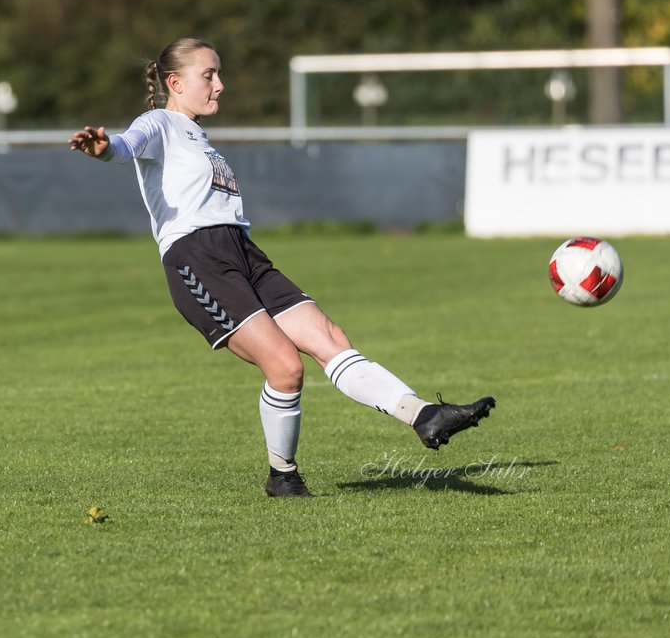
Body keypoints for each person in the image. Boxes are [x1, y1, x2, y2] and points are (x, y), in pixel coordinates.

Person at [68, 37, 495, 498]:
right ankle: (282, 475)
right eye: (208, 75)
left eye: (218, 74)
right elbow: (127, 145)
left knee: (330, 337)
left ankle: (423, 415)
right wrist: (104, 146)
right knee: (286, 368)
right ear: (174, 82)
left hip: (242, 252)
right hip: (198, 259)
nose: (220, 85)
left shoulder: (198, 135)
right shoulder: (159, 123)